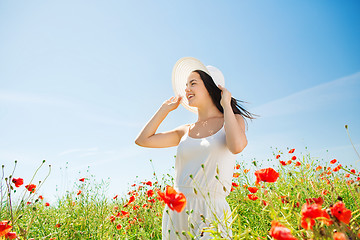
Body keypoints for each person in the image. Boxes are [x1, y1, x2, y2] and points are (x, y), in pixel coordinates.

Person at [135, 57, 258, 239]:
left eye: (193, 83)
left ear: (211, 88)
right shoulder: (185, 130)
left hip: (212, 209)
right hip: (178, 209)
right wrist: (164, 109)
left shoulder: (232, 120)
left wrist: (226, 105)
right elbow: (143, 140)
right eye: (186, 85)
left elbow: (237, 146)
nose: (186, 89)